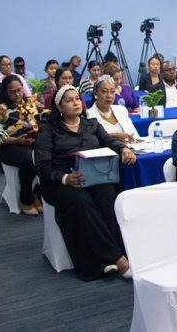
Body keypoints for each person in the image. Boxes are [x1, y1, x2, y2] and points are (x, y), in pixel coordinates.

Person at [34, 85, 136, 281]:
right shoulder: (49, 130)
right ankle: (116, 258)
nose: (75, 103)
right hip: (59, 182)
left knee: (108, 194)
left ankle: (106, 259)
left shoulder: (91, 124)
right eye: (69, 100)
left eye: (77, 99)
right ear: (60, 107)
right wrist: (65, 179)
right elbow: (42, 166)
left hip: (92, 178)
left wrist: (123, 149)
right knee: (81, 201)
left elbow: (109, 142)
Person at [0, 75, 47, 215]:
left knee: (54, 154)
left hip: (33, 142)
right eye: (12, 92)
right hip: (9, 146)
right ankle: (25, 198)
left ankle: (37, 193)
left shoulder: (31, 102)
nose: (17, 94)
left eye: (19, 90)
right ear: (5, 92)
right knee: (30, 159)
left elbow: (47, 115)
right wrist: (17, 141)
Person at [87, 76, 140, 143]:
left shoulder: (121, 110)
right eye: (104, 91)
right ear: (95, 93)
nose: (109, 96)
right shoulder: (88, 115)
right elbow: (90, 142)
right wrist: (113, 136)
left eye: (112, 92)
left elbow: (135, 136)